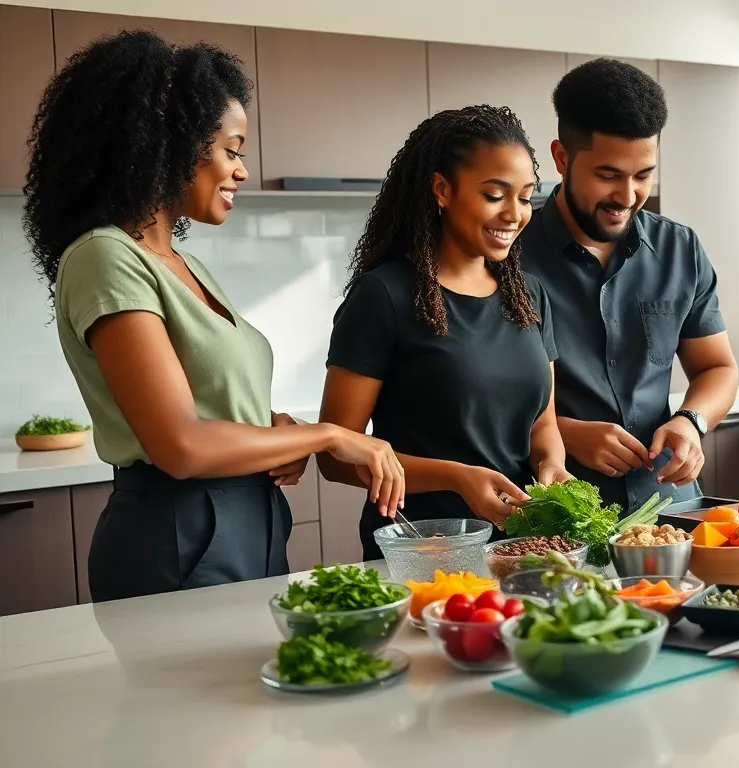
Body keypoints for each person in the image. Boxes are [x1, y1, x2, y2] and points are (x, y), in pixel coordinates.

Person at [24, 31, 404, 602]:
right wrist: (330, 436)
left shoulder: (183, 262)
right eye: (232, 149)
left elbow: (211, 400)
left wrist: (280, 433)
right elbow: (180, 444)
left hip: (248, 519)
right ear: (167, 141)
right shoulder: (105, 256)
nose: (242, 171)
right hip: (179, 531)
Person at [318, 105, 570, 560]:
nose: (515, 213)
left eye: (526, 196)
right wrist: (457, 476)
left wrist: (551, 465)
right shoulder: (384, 295)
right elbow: (335, 454)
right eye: (495, 195)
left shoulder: (529, 295)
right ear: (442, 189)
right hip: (423, 547)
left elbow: (543, 423)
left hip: (522, 549)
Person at [519, 58, 739, 513]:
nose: (627, 196)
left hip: (671, 511)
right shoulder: (507, 258)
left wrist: (690, 421)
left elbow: (718, 369)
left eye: (643, 175)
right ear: (561, 158)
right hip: (556, 518)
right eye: (608, 175)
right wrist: (561, 431)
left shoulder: (680, 248)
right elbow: (472, 402)